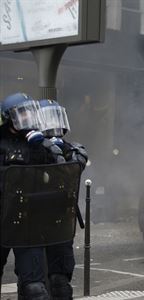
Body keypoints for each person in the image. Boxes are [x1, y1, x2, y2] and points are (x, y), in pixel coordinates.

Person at [0, 93, 65, 299]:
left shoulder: (38, 144)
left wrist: (51, 147)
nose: (28, 117)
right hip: (1, 217)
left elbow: (61, 171)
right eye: (22, 113)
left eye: (30, 112)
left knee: (35, 288)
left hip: (27, 222)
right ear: (9, 117)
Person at [39, 99, 88, 299]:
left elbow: (76, 167)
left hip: (61, 221)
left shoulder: (71, 149)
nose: (54, 125)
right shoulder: (33, 148)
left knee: (60, 280)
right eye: (49, 119)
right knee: (34, 282)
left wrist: (59, 151)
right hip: (34, 221)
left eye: (57, 118)